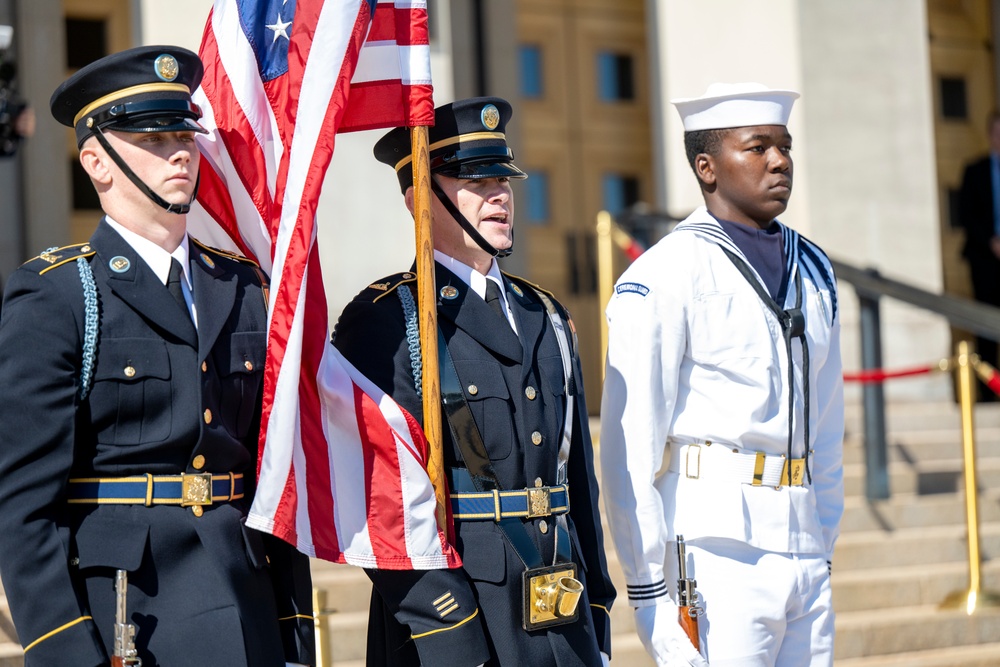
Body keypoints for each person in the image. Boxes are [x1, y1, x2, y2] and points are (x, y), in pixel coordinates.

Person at [0, 45, 314, 666]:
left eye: (185, 135)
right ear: (97, 161)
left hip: (247, 608)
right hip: (126, 619)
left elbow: (274, 479)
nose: (179, 151)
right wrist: (65, 652)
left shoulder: (245, 287)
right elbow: (23, 509)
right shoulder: (58, 294)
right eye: (153, 136)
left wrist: (296, 632)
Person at [332, 97, 616, 666]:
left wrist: (599, 614)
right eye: (473, 178)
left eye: (502, 178)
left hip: (562, 612)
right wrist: (448, 632)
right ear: (420, 199)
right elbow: (375, 501)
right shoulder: (388, 321)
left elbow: (577, 482)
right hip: (459, 626)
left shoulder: (546, 315)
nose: (499, 194)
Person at [599, 82, 844, 666]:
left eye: (784, 146)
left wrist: (823, 537)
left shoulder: (814, 269)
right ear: (707, 167)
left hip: (803, 544)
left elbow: (827, 420)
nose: (780, 160)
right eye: (757, 147)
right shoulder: (667, 271)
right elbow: (629, 448)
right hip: (714, 551)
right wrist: (646, 589)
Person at [957, 111, 1000, 402]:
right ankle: (987, 396)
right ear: (989, 134)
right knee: (986, 328)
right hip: (985, 261)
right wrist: (991, 241)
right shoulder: (974, 171)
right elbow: (967, 215)